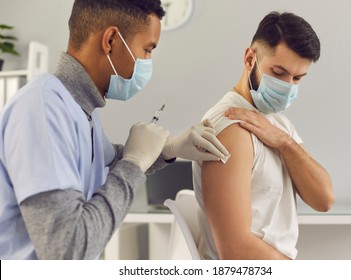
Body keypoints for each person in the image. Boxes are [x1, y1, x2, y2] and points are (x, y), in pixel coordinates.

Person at [0, 0, 229, 260]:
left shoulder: (81, 110)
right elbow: (67, 252)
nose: (148, 61)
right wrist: (133, 163)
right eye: (147, 50)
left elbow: (104, 164)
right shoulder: (43, 108)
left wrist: (167, 150)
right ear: (110, 41)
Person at [193, 11, 335, 260]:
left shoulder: (277, 123)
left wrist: (284, 142)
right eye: (279, 73)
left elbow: (324, 199)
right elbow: (234, 250)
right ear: (250, 59)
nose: (288, 86)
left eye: (297, 78)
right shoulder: (232, 127)